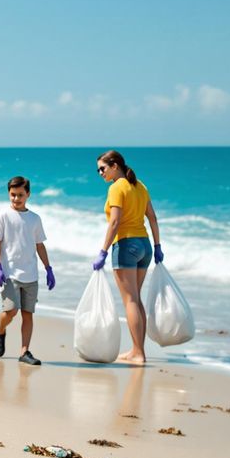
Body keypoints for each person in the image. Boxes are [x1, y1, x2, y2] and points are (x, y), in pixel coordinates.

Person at [93, 150, 163, 365]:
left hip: (125, 246)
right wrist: (157, 245)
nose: (100, 173)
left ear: (115, 166)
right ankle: (136, 350)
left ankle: (139, 353)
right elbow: (152, 217)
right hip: (144, 246)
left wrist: (103, 251)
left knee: (130, 300)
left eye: (102, 168)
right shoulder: (139, 185)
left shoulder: (116, 188)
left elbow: (114, 223)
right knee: (136, 299)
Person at [0, 176, 55, 366]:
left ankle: (24, 352)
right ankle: (0, 329)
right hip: (10, 273)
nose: (16, 199)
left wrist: (48, 268)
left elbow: (39, 245)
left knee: (28, 313)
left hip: (31, 275)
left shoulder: (34, 219)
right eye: (12, 195)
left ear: (28, 194)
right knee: (11, 311)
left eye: (20, 195)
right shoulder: (2, 217)